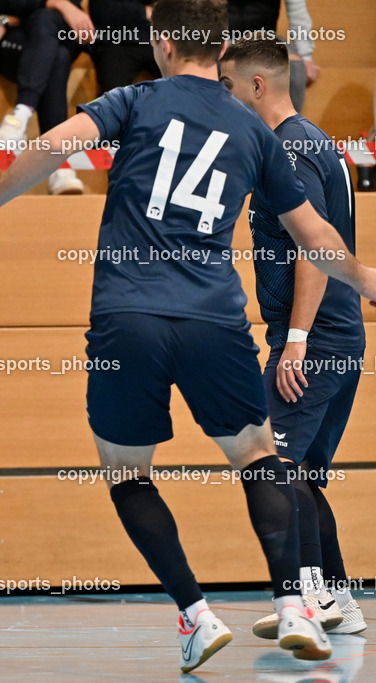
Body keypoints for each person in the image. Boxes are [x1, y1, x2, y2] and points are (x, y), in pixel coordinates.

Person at [0, 0, 376, 672]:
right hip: (215, 320)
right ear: (219, 47)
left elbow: (56, 143)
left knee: (126, 472)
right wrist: (365, 277)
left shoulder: (133, 99)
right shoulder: (255, 130)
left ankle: (196, 615)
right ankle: (295, 603)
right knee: (260, 458)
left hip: (128, 318)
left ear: (164, 43)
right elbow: (314, 235)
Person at [218, 35, 367, 637]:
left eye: (227, 87)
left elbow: (316, 246)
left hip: (316, 336)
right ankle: (336, 599)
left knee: (273, 466)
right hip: (336, 333)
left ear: (256, 85)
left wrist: (297, 337)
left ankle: (308, 598)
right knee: (298, 473)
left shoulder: (290, 150)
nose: (223, 99)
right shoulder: (313, 140)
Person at [0, 0, 90, 194]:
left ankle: (18, 120)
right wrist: (58, 3)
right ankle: (59, 162)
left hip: (47, 36)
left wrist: (10, 18)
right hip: (4, 41)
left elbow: (69, 16)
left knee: (49, 30)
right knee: (56, 53)